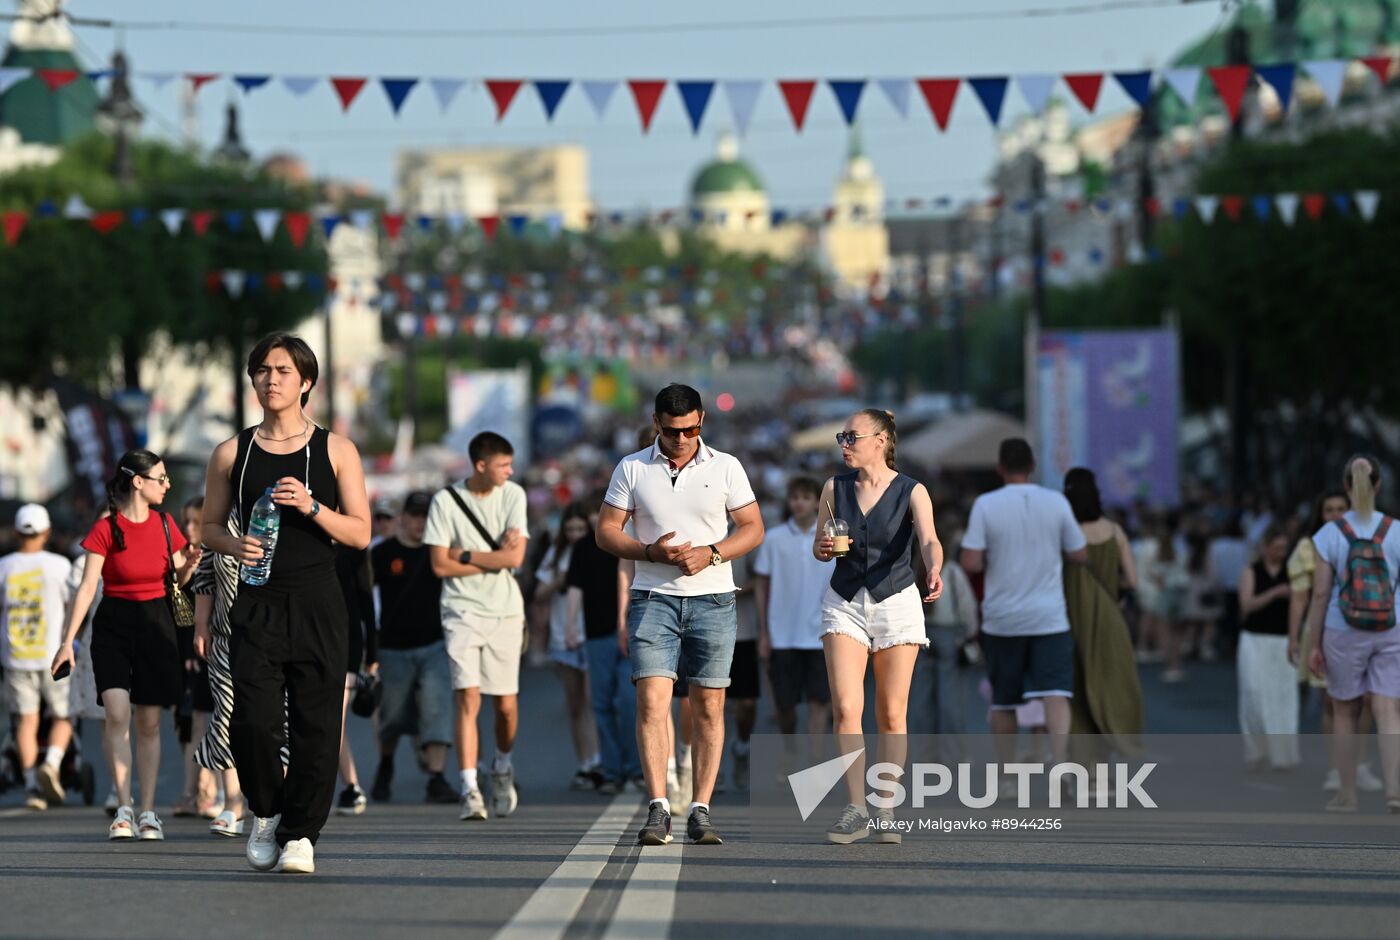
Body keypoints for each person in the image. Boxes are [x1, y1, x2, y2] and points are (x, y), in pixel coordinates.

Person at [200, 332, 372, 874]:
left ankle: (301, 836)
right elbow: (207, 527)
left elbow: (361, 532)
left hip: (320, 598)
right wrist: (233, 543)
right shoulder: (233, 452)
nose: (270, 380)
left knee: (317, 724)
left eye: (281, 371)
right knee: (252, 719)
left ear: (306, 383)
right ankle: (266, 812)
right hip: (257, 598)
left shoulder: (336, 449)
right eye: (261, 371)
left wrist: (313, 505)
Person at [597, 384, 764, 846]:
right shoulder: (631, 467)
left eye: (691, 429)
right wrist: (649, 551)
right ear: (656, 424)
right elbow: (606, 532)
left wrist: (711, 554)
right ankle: (658, 806)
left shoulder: (726, 466)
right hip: (654, 598)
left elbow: (752, 528)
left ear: (702, 420)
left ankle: (701, 807)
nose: (682, 439)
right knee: (652, 701)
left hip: (713, 598)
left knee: (709, 705)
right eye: (673, 432)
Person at [52, 450, 199, 841]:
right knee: (117, 713)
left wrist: (187, 567)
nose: (167, 485)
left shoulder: (168, 525)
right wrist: (67, 642)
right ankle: (123, 808)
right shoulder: (106, 528)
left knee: (149, 721)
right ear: (138, 481)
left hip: (157, 623)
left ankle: (149, 811)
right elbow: (87, 588)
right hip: (114, 624)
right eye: (161, 478)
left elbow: (180, 581)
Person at [813, 409, 943, 845]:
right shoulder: (834, 487)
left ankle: (885, 805)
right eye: (842, 436)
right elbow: (819, 546)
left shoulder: (912, 490)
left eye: (852, 436)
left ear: (882, 440)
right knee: (847, 708)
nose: (844, 444)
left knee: (891, 713)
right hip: (845, 600)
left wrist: (935, 567)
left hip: (896, 602)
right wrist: (826, 548)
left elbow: (928, 538)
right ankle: (856, 808)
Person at [961, 439, 1088, 800]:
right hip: (1050, 615)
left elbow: (971, 562)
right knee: (1056, 692)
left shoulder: (986, 505)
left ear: (1000, 468)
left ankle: (1008, 778)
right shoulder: (1057, 502)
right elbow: (1079, 552)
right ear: (1032, 466)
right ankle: (1059, 764)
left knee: (1004, 699)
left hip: (1002, 618)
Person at [425, 431, 529, 822]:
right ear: (481, 465)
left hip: (504, 610)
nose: (510, 471)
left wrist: (465, 553)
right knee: (467, 697)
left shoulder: (513, 496)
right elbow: (439, 565)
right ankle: (469, 786)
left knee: (505, 706)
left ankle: (501, 766)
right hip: (461, 609)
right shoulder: (445, 501)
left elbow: (515, 557)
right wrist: (495, 555)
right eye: (503, 465)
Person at [1306, 455, 1400, 813]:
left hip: (1342, 628)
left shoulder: (1330, 533)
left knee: (1345, 712)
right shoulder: (1396, 529)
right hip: (1391, 627)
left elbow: (1319, 593)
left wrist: (1314, 644)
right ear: (1377, 485)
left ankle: (1347, 793)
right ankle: (1394, 790)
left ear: (1347, 487)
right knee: (1388, 711)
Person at [1286, 490, 1384, 793]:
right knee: (1332, 703)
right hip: (1324, 632)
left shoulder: (1370, 540)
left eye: (1341, 508)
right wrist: (1294, 638)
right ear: (1320, 514)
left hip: (1365, 630)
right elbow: (1301, 597)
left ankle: (1360, 763)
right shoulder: (1309, 546)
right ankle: (1335, 768)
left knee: (1366, 701)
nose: (1335, 513)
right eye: (1329, 509)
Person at [369, 491, 457, 805]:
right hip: (392, 647)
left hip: (434, 643)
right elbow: (365, 599)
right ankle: (386, 765)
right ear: (403, 518)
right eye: (415, 516)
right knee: (392, 716)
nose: (421, 522)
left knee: (437, 706)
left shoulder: (439, 552)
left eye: (426, 516)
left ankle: (436, 777)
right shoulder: (381, 554)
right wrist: (368, 648)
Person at [1062, 469, 1142, 760]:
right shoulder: (1115, 531)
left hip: (1072, 619)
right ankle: (1106, 768)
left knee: (1078, 696)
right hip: (1110, 619)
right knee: (1109, 689)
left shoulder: (1066, 532)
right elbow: (1132, 581)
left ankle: (1083, 770)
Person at [753, 477, 832, 761]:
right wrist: (764, 631)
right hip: (782, 633)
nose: (799, 503)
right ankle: (790, 750)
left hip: (821, 634)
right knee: (784, 705)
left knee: (819, 702)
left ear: (817, 502)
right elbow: (762, 584)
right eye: (795, 497)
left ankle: (816, 761)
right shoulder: (773, 538)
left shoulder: (831, 539)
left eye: (806, 497)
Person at [2, 504, 74, 810]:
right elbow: (75, 605)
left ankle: (32, 785)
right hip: (53, 655)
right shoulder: (60, 566)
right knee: (64, 715)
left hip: (15, 656)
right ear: (47, 532)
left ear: (18, 532)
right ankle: (53, 763)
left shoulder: (3, 566)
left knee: (26, 721)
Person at [568, 501, 638, 795]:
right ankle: (612, 771)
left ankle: (636, 770)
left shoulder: (633, 540)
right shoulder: (584, 546)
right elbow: (575, 587)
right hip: (597, 634)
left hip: (633, 630)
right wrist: (572, 625)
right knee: (601, 704)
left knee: (629, 701)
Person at [535, 502, 600, 790]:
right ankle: (584, 762)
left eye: (580, 529)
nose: (575, 534)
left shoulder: (596, 549)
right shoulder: (556, 554)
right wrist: (559, 581)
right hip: (563, 637)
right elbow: (538, 593)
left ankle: (600, 761)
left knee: (593, 701)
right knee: (575, 705)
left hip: (593, 633)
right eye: (570, 529)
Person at [1237, 526, 1299, 771]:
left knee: (1283, 696)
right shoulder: (1251, 571)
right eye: (1276, 548)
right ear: (1265, 547)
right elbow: (1247, 605)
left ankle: (1282, 753)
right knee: (1253, 692)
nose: (1280, 553)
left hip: (1282, 639)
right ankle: (1256, 748)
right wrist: (1274, 593)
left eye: (1284, 549)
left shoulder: (1292, 571)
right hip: (1254, 638)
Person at [173, 496, 219, 820]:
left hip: (215, 644)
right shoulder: (180, 558)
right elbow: (176, 604)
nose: (189, 528)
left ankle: (208, 789)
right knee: (190, 723)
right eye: (186, 521)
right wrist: (184, 569)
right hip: (184, 649)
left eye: (196, 521)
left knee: (213, 718)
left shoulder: (217, 553)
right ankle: (192, 789)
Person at [334, 544, 377, 816]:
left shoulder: (354, 545)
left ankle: (351, 786)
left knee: (333, 718)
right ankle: (351, 786)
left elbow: (366, 599)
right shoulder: (300, 532)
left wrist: (373, 652)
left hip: (346, 641)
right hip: (305, 636)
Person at [1208, 515, 1250, 661]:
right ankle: (1235, 645)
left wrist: (1215, 583)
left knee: (1224, 617)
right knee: (1238, 617)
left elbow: (1214, 567)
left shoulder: (1217, 545)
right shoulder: (1244, 545)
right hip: (1240, 584)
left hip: (1224, 585)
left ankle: (1224, 645)